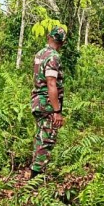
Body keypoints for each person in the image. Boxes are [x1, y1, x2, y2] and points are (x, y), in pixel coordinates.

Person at [29, 26, 67, 180]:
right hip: (47, 105)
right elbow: (51, 83)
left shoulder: (40, 54)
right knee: (46, 141)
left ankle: (36, 177)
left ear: (48, 37)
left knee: (40, 138)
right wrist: (57, 111)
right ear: (63, 42)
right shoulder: (53, 57)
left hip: (38, 102)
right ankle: (35, 182)